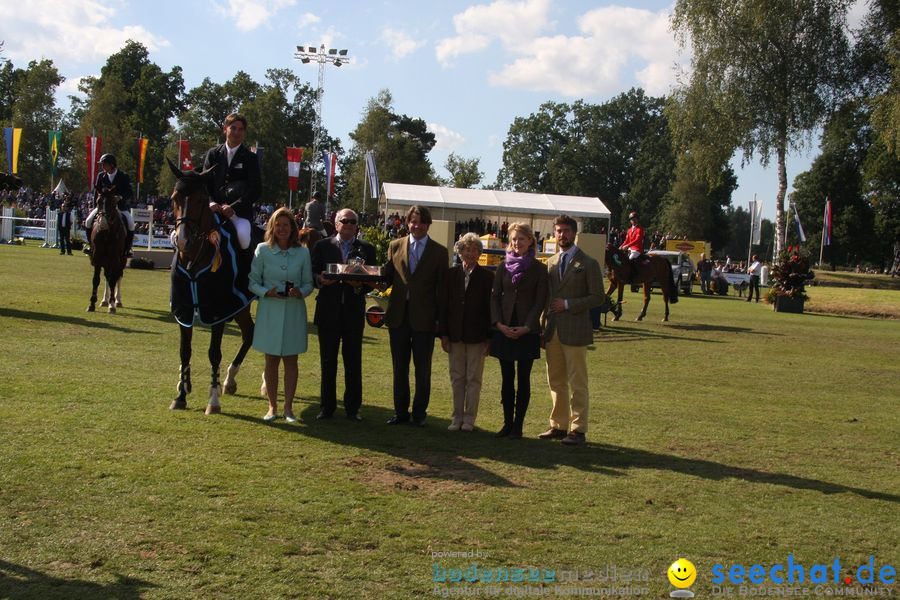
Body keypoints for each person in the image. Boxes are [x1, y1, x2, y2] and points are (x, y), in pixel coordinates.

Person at [540, 215, 604, 446]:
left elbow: (598, 297)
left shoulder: (588, 263)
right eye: (558, 231)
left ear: (574, 233)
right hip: (552, 330)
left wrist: (567, 304)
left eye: (566, 231)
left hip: (576, 330)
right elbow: (547, 299)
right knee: (555, 381)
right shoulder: (551, 262)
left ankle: (578, 429)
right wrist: (542, 327)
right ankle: (558, 425)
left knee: (577, 382)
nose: (562, 235)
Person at [382, 205, 448, 427]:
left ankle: (419, 414)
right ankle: (400, 412)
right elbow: (385, 279)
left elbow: (442, 290)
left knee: (423, 369)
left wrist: (440, 321)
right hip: (398, 318)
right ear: (407, 223)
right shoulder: (395, 246)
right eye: (412, 221)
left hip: (425, 320)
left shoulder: (439, 252)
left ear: (428, 224)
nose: (416, 225)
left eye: (420, 221)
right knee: (399, 368)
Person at [310, 207, 377, 421]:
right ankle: (327, 407)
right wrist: (320, 280)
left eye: (353, 221)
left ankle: (352, 408)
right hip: (328, 312)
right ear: (336, 223)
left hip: (353, 313)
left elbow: (373, 280)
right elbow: (312, 272)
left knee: (353, 362)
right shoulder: (322, 246)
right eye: (345, 220)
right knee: (328, 362)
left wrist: (360, 286)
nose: (348, 224)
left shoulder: (367, 249)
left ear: (357, 225)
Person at [248, 207, 313, 422]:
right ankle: (272, 407)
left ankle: (288, 408)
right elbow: (253, 282)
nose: (282, 229)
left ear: (293, 228)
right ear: (272, 228)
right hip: (270, 311)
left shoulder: (303, 252)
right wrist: (267, 291)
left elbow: (308, 284)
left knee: (291, 360)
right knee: (271, 360)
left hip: (294, 311)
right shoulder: (262, 250)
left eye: (286, 225)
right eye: (278, 225)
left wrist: (300, 292)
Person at [490, 223, 548, 439]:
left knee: (523, 379)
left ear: (530, 241)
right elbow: (494, 297)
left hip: (527, 331)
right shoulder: (502, 266)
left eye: (521, 239)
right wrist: (498, 324)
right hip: (504, 328)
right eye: (513, 240)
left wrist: (527, 327)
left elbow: (540, 301)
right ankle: (507, 424)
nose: (517, 243)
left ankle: (518, 427)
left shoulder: (539, 269)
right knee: (507, 379)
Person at [439, 233, 494, 432]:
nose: (470, 253)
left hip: (477, 336)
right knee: (457, 378)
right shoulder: (450, 275)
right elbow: (443, 305)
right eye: (466, 249)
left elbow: (490, 309)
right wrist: (443, 334)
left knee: (474, 379)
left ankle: (469, 419)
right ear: (459, 252)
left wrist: (490, 337)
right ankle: (456, 418)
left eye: (474, 250)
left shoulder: (488, 277)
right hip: (454, 335)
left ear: (479, 253)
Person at [202, 113, 262, 286]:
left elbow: (256, 189)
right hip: (213, 209)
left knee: (243, 237)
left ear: (244, 133)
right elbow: (205, 184)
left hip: (238, 214)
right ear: (225, 129)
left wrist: (234, 207)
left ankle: (245, 276)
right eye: (233, 128)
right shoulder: (213, 154)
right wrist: (211, 201)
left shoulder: (250, 158)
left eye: (240, 129)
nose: (236, 132)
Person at [84, 154, 135, 256]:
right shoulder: (101, 176)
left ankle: (127, 249)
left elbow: (130, 192)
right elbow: (96, 193)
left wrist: (120, 197)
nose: (102, 167)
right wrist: (96, 207)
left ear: (112, 165)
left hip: (120, 207)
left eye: (104, 164)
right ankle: (90, 245)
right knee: (88, 221)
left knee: (131, 224)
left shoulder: (123, 176)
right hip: (102, 207)